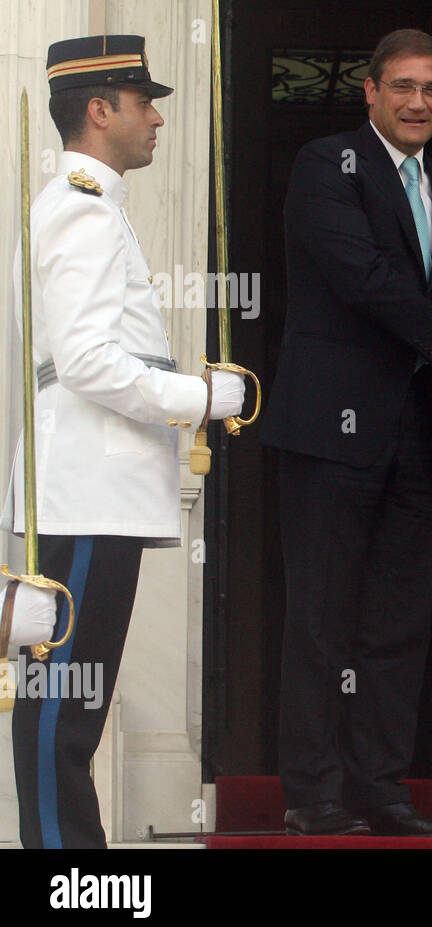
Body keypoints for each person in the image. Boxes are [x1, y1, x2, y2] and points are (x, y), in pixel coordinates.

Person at [261, 28, 432, 837]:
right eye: (402, 86)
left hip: (417, 436)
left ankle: (383, 791)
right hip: (331, 430)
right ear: (369, 91)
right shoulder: (324, 165)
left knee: (398, 623)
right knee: (322, 617)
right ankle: (315, 795)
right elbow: (364, 279)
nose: (417, 103)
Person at [1, 35, 245, 848]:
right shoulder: (79, 208)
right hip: (85, 488)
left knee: (70, 704)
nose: (158, 119)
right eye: (145, 102)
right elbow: (88, 363)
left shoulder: (91, 205)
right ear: (99, 110)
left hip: (94, 488)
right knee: (63, 705)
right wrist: (200, 397)